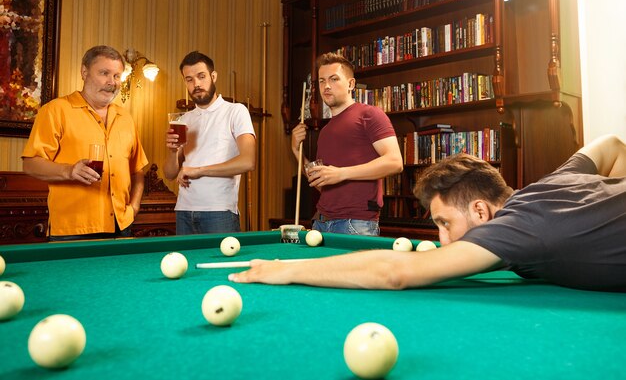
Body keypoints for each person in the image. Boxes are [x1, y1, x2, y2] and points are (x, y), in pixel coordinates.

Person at [229, 134, 626, 292]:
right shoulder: (548, 186)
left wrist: (288, 270)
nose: (443, 240)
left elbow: (395, 272)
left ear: (480, 210)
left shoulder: (519, 225)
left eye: (445, 223)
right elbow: (611, 146)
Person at [22, 45, 148, 240]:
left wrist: (134, 207)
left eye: (116, 76)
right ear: (84, 72)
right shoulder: (56, 110)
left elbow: (138, 170)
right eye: (104, 73)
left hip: (121, 226)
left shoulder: (126, 118)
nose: (111, 82)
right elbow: (30, 163)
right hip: (72, 230)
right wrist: (69, 171)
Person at [291, 52, 403, 236]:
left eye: (334, 79)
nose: (326, 86)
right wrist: (296, 151)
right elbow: (321, 183)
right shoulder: (325, 131)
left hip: (355, 224)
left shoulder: (369, 114)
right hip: (321, 222)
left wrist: (341, 173)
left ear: (351, 84)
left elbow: (395, 162)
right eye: (321, 81)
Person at [164, 51, 256, 235]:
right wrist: (173, 152)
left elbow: (248, 161)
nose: (196, 84)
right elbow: (170, 173)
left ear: (213, 76)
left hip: (219, 211)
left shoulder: (236, 111)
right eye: (189, 79)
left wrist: (198, 170)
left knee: (223, 265)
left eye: (201, 76)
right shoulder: (184, 119)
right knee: (185, 264)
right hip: (183, 210)